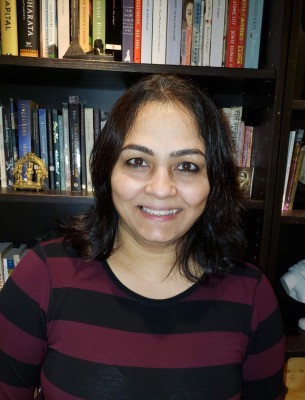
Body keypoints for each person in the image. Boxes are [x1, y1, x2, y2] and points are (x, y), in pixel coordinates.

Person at [0, 74, 285, 399]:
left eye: (187, 166)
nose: (161, 188)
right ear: (108, 172)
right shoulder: (42, 277)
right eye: (137, 161)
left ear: (215, 181)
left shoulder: (253, 297)